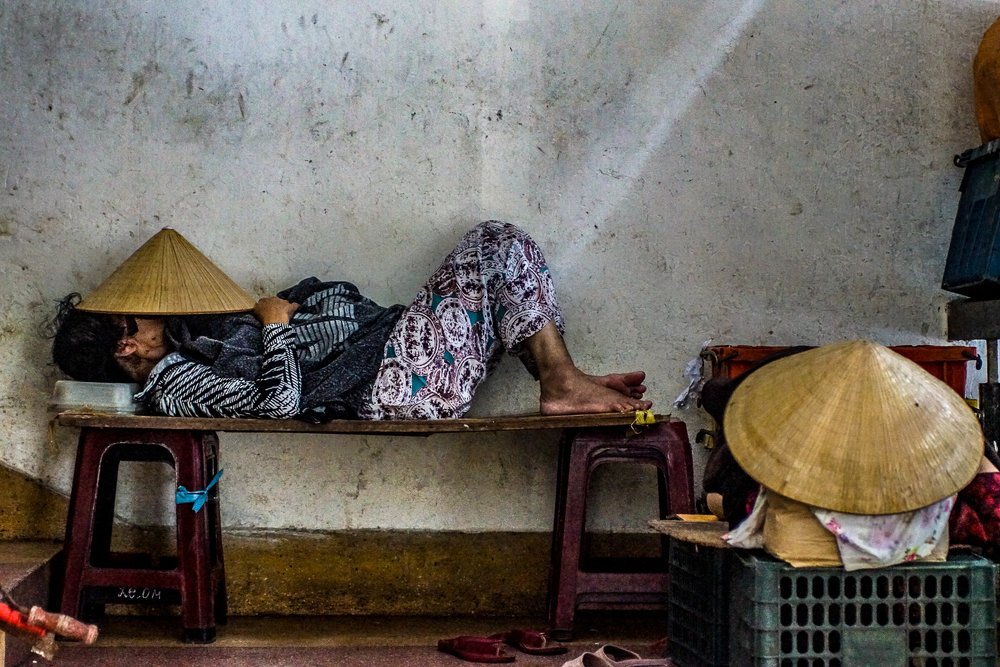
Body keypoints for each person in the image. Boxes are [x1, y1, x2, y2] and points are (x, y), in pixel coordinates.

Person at [51, 221, 652, 421]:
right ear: (128, 347)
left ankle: (564, 379)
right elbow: (278, 406)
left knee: (497, 260)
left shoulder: (183, 357)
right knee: (495, 243)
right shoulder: (176, 382)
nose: (158, 315)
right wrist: (275, 325)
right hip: (389, 384)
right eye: (140, 318)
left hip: (392, 368)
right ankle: (562, 382)